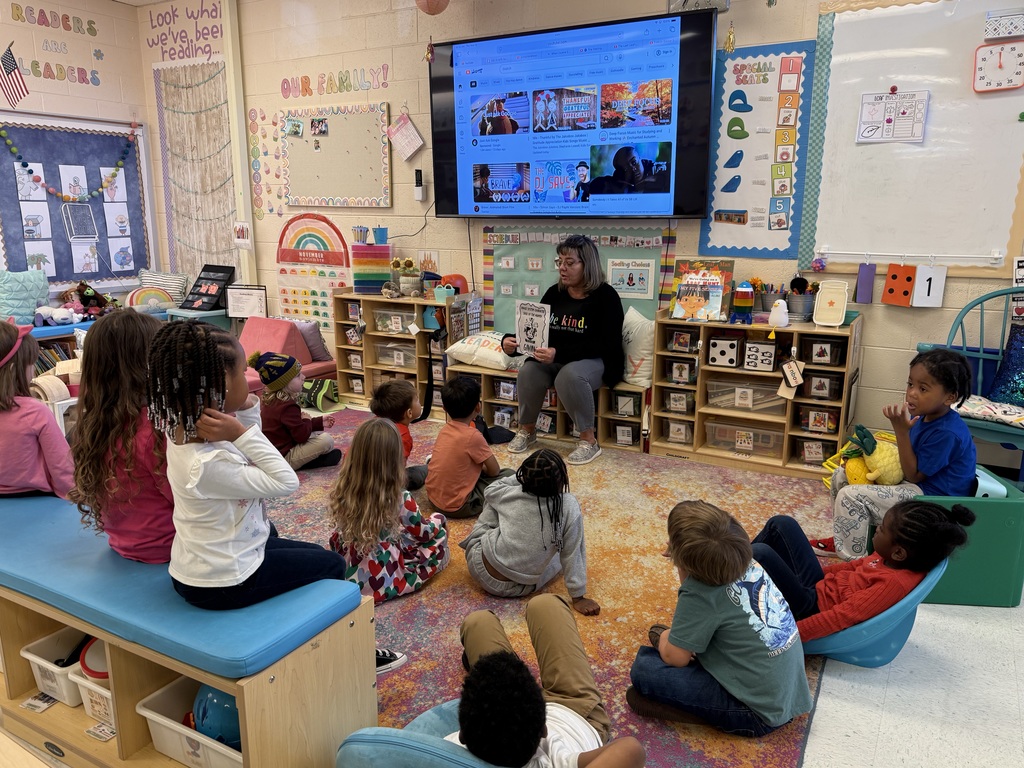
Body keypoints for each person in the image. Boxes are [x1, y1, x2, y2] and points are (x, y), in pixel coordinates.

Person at [627, 500, 812, 736]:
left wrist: (666, 638)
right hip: (788, 692)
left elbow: (676, 659)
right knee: (690, 639)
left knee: (644, 670)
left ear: (681, 558)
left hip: (755, 712)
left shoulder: (698, 592)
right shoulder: (749, 562)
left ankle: (703, 714)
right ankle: (687, 642)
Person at [813, 348, 976, 559]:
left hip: (933, 504)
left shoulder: (947, 433)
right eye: (910, 384)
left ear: (950, 397)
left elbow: (913, 474)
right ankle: (844, 540)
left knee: (851, 497)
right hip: (915, 488)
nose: (912, 393)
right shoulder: (926, 417)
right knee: (840, 476)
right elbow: (904, 463)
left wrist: (901, 431)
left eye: (923, 388)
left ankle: (854, 563)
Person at [452, 594, 646, 768]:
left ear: (462, 736)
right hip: (578, 711)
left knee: (478, 622)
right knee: (544, 604)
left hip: (517, 719)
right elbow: (631, 749)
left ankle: (500, 667)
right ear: (544, 730)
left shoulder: (449, 749)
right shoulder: (559, 760)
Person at [751, 501, 975, 642]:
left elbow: (840, 617)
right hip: (818, 588)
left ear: (899, 552)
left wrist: (784, 639)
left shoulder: (892, 583)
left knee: (761, 553)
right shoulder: (888, 556)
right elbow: (852, 567)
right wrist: (817, 574)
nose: (877, 530)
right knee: (782, 524)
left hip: (811, 608)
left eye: (883, 529)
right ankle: (734, 563)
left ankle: (725, 572)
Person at [502, 235, 625, 465]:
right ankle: (527, 430)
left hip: (598, 360)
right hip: (557, 359)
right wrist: (512, 344)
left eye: (570, 263)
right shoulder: (554, 293)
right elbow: (536, 331)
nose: (562, 268)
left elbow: (605, 344)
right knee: (529, 371)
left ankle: (589, 441)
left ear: (587, 265)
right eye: (560, 262)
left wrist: (558, 354)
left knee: (569, 376)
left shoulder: (607, 297)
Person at [68, 310, 175, 563]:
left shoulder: (93, 424)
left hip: (127, 542)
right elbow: (191, 499)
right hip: (172, 547)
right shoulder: (155, 430)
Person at [460, 448, 600, 616]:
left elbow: (491, 489)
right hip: (517, 587)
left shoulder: (509, 493)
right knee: (558, 556)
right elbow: (572, 552)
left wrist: (525, 477)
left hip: (477, 564)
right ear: (561, 480)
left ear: (523, 477)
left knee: (493, 501)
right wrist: (578, 597)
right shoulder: (568, 506)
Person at [327, 417, 449, 604]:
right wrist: (438, 519)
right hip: (383, 576)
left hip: (348, 567)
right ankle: (437, 562)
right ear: (395, 459)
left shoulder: (344, 488)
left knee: (397, 536)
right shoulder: (399, 497)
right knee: (437, 531)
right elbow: (423, 533)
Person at [0, 321, 74, 498]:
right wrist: (75, 495)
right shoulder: (34, 411)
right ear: (13, 369)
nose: (33, 371)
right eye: (31, 364)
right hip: (34, 495)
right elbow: (61, 467)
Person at [425, 376, 514, 518]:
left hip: (433, 500)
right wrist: (479, 467)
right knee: (510, 475)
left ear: (444, 408)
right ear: (478, 407)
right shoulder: (473, 436)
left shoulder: (444, 430)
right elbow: (494, 471)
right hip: (459, 507)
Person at [249, 350, 341, 470]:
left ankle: (310, 460)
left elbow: (294, 426)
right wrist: (308, 421)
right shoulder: (287, 406)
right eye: (298, 376)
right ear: (284, 383)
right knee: (326, 441)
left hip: (274, 454)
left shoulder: (274, 401)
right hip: (282, 459)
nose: (304, 377)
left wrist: (318, 422)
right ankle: (311, 463)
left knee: (316, 434)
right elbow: (301, 436)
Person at [369, 378, 427, 490]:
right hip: (380, 486)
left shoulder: (371, 424)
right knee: (420, 474)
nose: (420, 403)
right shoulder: (402, 436)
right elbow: (396, 471)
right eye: (417, 400)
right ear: (409, 413)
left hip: (355, 479)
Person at [588, 147, 669, 195]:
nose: (633, 169)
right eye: (626, 168)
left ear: (639, 158)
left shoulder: (660, 169)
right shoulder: (617, 185)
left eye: (634, 162)